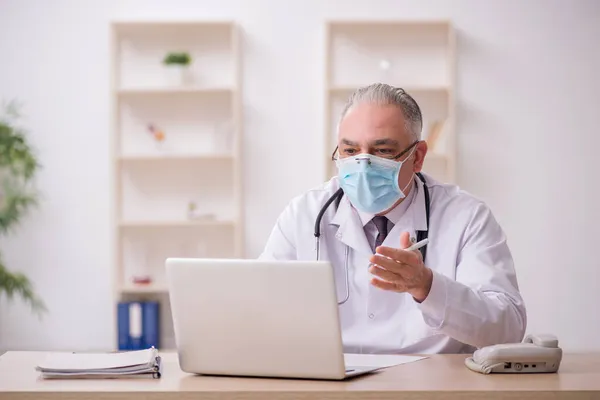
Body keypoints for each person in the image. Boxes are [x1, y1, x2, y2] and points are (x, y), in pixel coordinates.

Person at [260, 83, 526, 354]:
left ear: (418, 156)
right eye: (350, 152)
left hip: (429, 386)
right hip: (331, 386)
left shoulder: (467, 217)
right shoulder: (303, 214)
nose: (363, 166)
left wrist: (427, 286)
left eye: (383, 151)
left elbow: (507, 328)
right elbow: (260, 311)